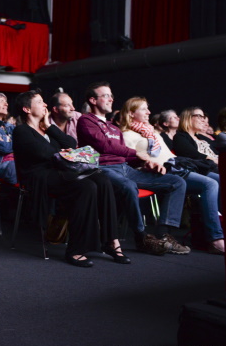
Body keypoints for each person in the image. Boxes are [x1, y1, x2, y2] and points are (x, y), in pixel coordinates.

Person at [12, 89, 130, 267]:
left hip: (60, 172)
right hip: (39, 177)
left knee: (103, 180)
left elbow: (71, 144)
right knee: (87, 187)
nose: (45, 105)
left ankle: (112, 241)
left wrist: (49, 126)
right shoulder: (21, 131)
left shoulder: (46, 129)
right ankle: (76, 249)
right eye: (40, 102)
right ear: (27, 109)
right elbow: (43, 153)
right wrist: (60, 152)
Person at [77, 82, 187, 255]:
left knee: (177, 182)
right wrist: (138, 154)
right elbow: (105, 146)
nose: (110, 99)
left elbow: (123, 156)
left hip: (124, 168)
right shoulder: (86, 121)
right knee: (128, 186)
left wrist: (146, 164)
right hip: (102, 168)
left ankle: (164, 234)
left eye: (111, 95)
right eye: (105, 95)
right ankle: (141, 237)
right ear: (92, 100)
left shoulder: (113, 127)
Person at [120, 97, 224, 255]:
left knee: (222, 181)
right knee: (210, 184)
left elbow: (168, 155)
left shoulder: (151, 132)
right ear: (131, 113)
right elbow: (129, 161)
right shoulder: (127, 134)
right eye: (143, 109)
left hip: (175, 167)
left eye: (148, 108)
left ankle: (221, 230)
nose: (149, 112)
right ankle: (215, 239)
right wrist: (147, 164)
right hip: (158, 172)